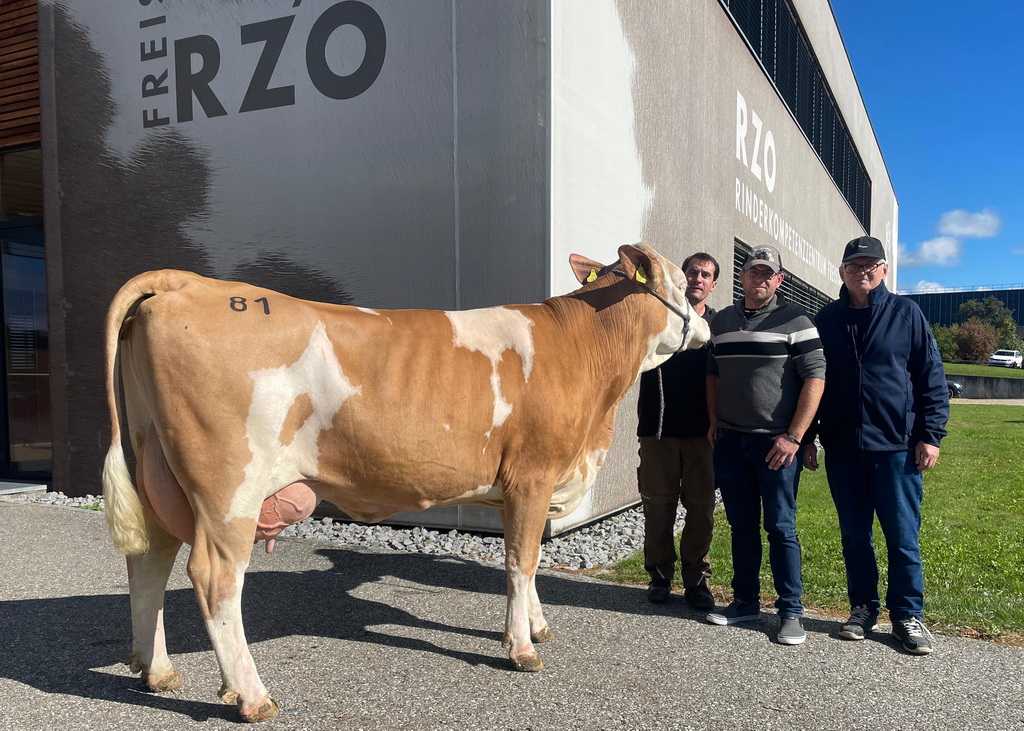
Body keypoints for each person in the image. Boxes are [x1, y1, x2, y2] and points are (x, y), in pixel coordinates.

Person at [803, 235, 948, 655]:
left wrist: (930, 435)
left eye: (871, 265)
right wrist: (809, 437)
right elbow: (814, 383)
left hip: (897, 449)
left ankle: (907, 615)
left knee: (902, 537)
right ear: (842, 272)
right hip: (844, 449)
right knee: (854, 536)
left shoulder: (907, 314)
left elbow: (930, 378)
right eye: (854, 266)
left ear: (884, 270)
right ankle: (863, 608)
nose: (862, 272)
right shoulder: (826, 319)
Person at [704, 244, 825, 646]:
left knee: (780, 527)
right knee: (741, 526)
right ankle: (745, 602)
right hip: (731, 440)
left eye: (767, 273)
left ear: (779, 279)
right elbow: (713, 375)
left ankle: (791, 611)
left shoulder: (797, 320)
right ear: (743, 277)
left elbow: (815, 379)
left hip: (776, 445)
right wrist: (713, 423)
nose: (760, 279)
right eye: (753, 272)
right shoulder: (721, 321)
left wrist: (794, 436)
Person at [636, 252, 719, 610]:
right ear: (682, 279)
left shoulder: (721, 326)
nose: (698, 278)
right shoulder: (660, 317)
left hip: (705, 434)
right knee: (658, 508)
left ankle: (696, 580)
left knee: (700, 510)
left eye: (706, 274)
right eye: (692, 273)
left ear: (713, 285)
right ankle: (659, 577)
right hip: (658, 431)